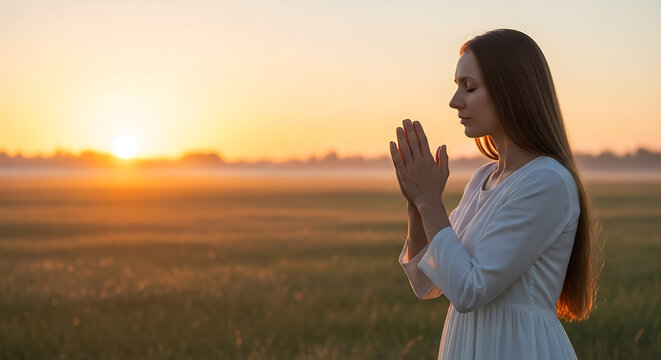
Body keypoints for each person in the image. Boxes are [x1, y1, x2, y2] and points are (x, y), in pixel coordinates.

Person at [389, 29, 602, 360]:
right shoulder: (483, 179)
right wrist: (416, 204)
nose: (455, 101)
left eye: (469, 87)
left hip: (520, 348)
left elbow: (469, 290)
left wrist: (431, 201)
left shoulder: (547, 182)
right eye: (457, 86)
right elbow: (425, 282)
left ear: (512, 92)